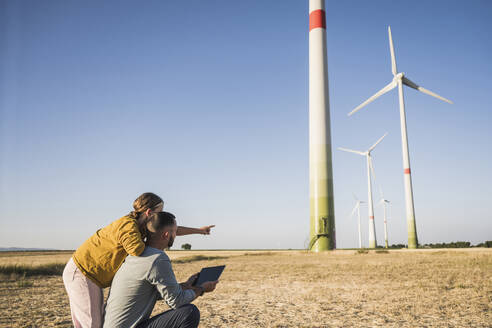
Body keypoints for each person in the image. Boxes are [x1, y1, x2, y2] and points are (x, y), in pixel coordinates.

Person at [63, 193, 215, 328]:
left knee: (97, 322)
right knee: (91, 324)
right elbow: (141, 249)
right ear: (149, 213)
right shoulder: (129, 227)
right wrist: (199, 289)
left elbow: (168, 229)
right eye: (159, 213)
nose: (160, 217)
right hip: (82, 272)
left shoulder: (142, 233)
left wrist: (199, 231)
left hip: (93, 276)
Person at [103, 211, 218, 328]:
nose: (176, 235)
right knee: (189, 312)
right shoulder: (157, 259)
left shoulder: (136, 254)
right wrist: (202, 289)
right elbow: (177, 301)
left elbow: (152, 292)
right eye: (175, 231)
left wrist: (187, 285)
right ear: (166, 235)